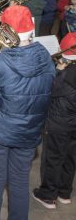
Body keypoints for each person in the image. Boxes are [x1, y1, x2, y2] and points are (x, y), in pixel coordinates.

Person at [0, 5, 55, 220]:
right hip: (30, 131)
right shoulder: (47, 57)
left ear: (6, 31)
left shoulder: (1, 61)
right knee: (20, 183)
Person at [32, 32, 76, 209]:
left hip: (59, 124)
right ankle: (64, 192)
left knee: (53, 157)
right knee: (71, 157)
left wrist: (57, 71)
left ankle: (47, 195)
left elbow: (50, 90)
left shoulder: (65, 76)